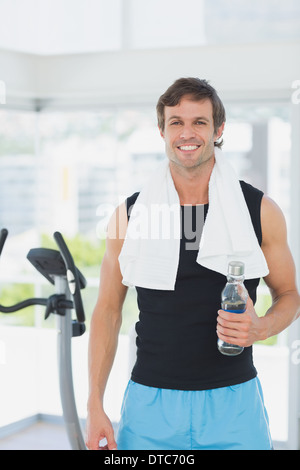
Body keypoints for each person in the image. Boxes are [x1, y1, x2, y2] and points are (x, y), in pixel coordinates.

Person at [85, 77, 300, 451]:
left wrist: (262, 328)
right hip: (150, 403)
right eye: (176, 122)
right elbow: (106, 311)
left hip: (234, 403)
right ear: (162, 130)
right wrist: (94, 403)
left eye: (199, 122)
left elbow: (290, 295)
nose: (188, 132)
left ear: (218, 129)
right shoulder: (128, 215)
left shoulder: (260, 211)